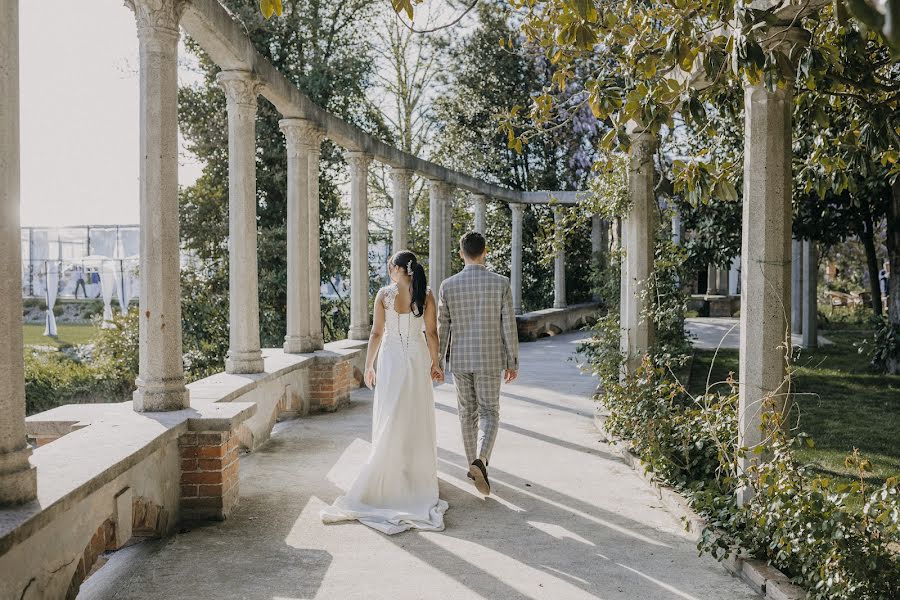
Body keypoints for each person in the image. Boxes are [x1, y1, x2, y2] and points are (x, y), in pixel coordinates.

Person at [320, 251, 448, 534]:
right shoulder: (425, 294)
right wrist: (435, 363)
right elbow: (432, 333)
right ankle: (414, 475)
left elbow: (376, 333)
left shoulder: (384, 295)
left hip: (390, 359)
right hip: (416, 357)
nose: (388, 269)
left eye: (390, 265)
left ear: (397, 269)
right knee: (415, 413)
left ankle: (389, 468)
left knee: (392, 411)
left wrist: (369, 366)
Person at [437, 231, 519, 496]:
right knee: (490, 413)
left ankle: (471, 462)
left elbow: (442, 327)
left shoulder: (448, 286)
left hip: (460, 359)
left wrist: (437, 361)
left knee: (466, 414)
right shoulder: (500, 283)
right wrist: (512, 360)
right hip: (490, 358)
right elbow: (509, 325)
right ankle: (480, 461)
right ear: (485, 251)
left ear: (461, 253)